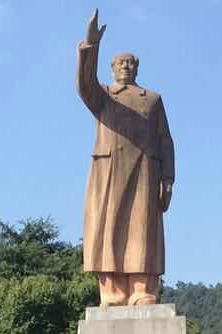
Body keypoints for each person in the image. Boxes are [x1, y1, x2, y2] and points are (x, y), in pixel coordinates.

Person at [76, 9, 175, 307]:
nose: (126, 67)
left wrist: (168, 177)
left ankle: (142, 288)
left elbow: (165, 139)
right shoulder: (103, 95)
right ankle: (113, 291)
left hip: (145, 170)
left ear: (137, 67)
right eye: (120, 62)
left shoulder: (152, 99)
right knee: (109, 228)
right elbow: (85, 84)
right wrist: (90, 44)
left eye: (130, 62)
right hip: (109, 170)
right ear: (111, 68)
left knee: (142, 229)